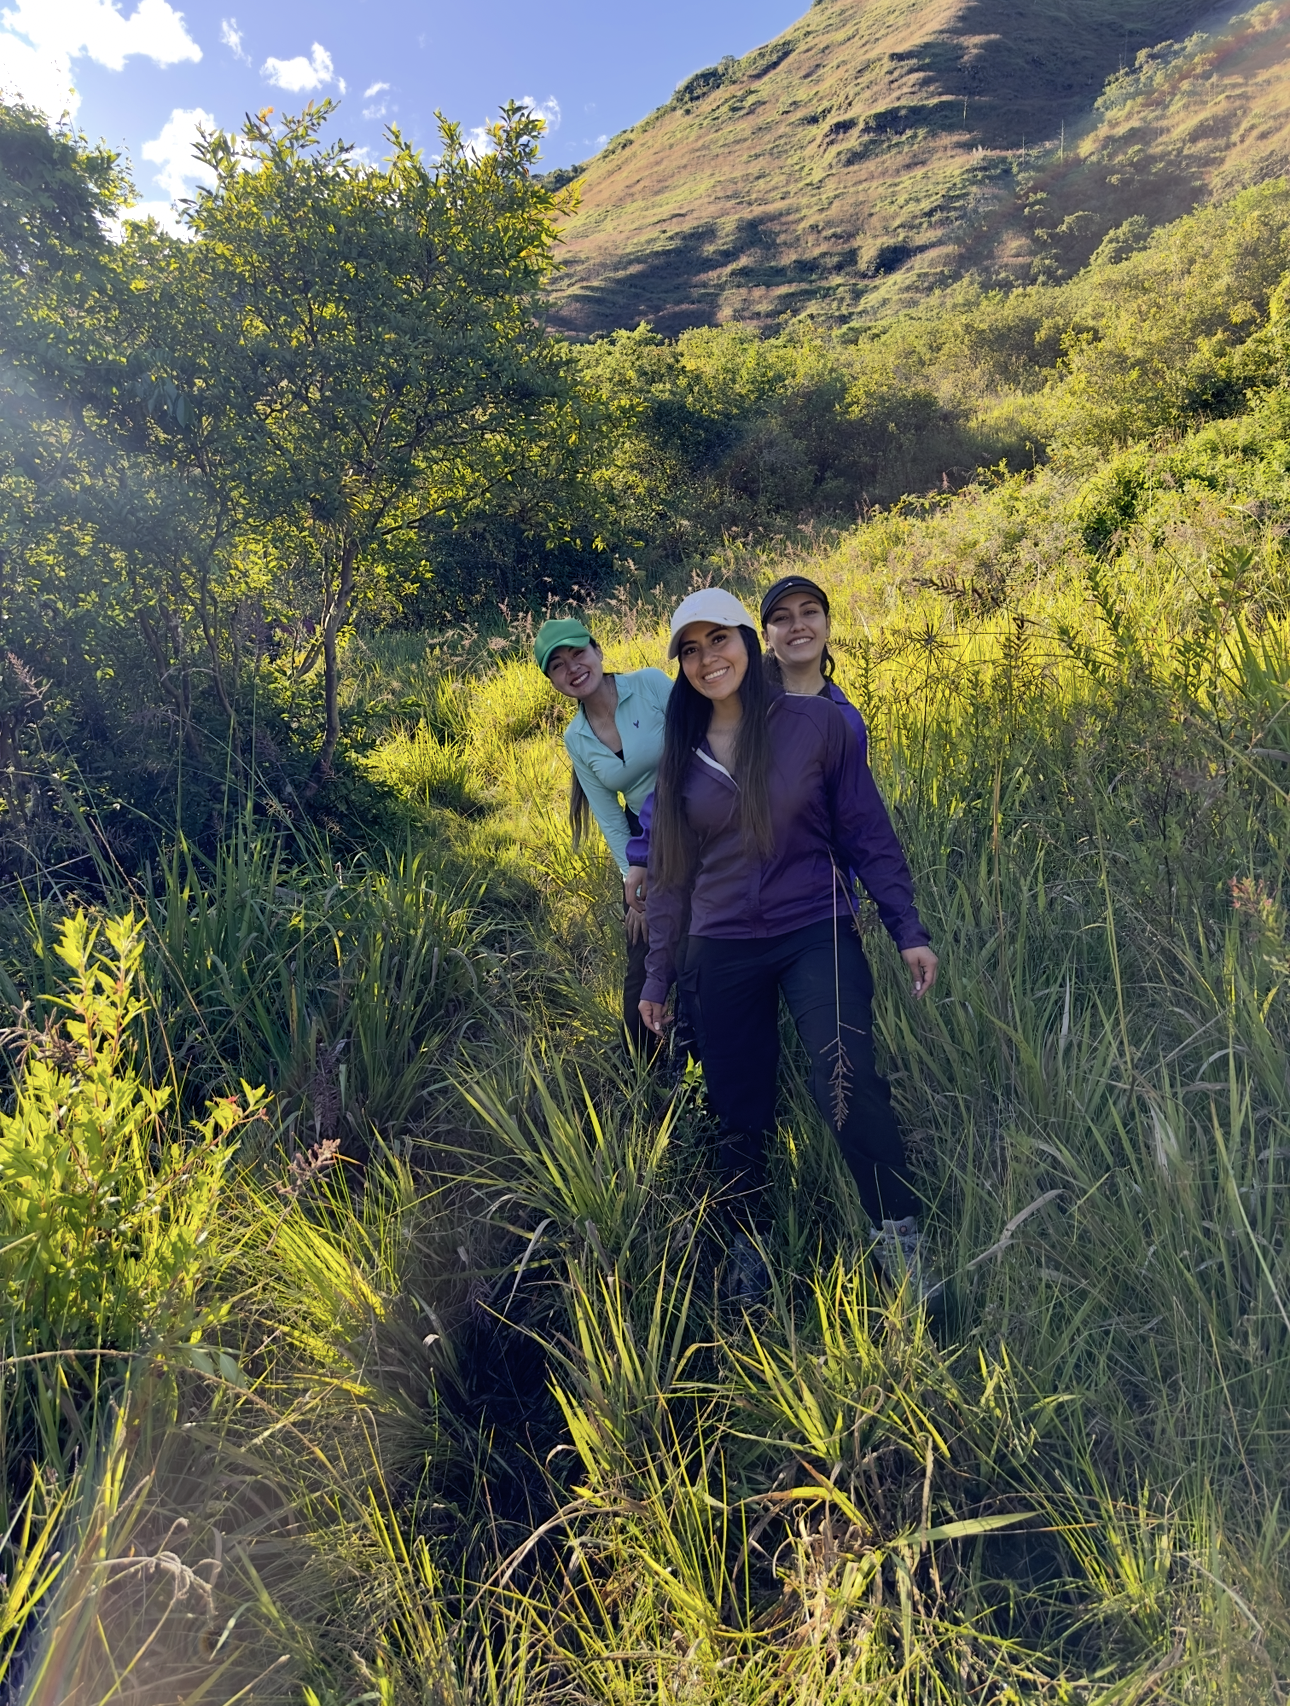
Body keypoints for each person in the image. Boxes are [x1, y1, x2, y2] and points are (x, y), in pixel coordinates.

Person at [637, 588, 940, 1299]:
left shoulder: (816, 726)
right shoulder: (678, 757)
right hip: (720, 942)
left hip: (813, 927)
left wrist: (907, 929)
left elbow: (868, 831)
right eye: (691, 648)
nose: (709, 658)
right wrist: (658, 975)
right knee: (737, 1102)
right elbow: (671, 877)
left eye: (720, 640)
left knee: (847, 1078)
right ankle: (755, 1246)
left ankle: (897, 1237)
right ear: (681, 666)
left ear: (749, 639)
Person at [533, 617, 671, 1055]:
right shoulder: (575, 737)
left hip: (702, 818)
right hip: (643, 840)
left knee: (702, 940)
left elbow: (703, 741)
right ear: (552, 680)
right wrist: (633, 878)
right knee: (642, 944)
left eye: (578, 654)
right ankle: (645, 1069)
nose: (572, 668)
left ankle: (704, 1051)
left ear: (598, 650)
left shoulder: (650, 686)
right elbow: (610, 817)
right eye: (558, 665)